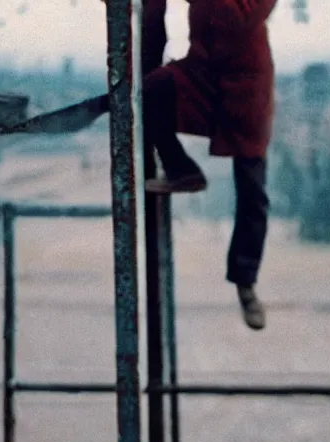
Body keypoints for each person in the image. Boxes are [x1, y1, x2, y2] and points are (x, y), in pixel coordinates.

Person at [100, 0, 277, 330]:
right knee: (150, 93)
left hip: (246, 84)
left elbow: (236, 16)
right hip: (202, 72)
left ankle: (246, 281)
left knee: (252, 187)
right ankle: (181, 169)